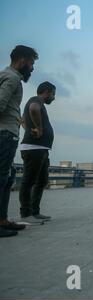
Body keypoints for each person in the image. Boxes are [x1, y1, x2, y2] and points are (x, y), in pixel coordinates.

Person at [0, 45, 38, 238]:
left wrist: (23, 126)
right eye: (31, 63)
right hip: (5, 134)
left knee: (8, 177)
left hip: (8, 132)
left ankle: (3, 219)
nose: (32, 68)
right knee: (2, 177)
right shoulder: (13, 78)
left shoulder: (6, 75)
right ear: (22, 60)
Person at [19, 82, 56, 225]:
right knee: (28, 181)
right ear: (46, 92)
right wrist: (39, 129)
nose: (53, 98)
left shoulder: (37, 102)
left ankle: (35, 211)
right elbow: (33, 109)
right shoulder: (36, 100)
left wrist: (29, 128)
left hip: (40, 148)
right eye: (53, 94)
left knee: (41, 181)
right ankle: (26, 213)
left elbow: (22, 120)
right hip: (34, 148)